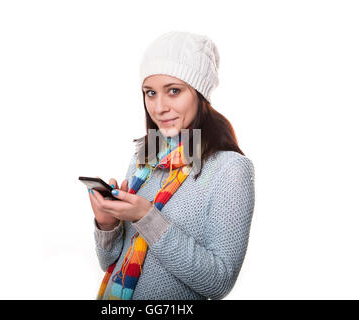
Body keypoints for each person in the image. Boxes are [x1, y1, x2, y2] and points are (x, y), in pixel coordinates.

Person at [87, 31, 255, 300]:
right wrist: (108, 225)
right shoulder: (144, 159)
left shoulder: (230, 169)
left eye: (174, 91)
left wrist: (147, 218)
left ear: (200, 94)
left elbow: (219, 282)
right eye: (150, 93)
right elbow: (111, 261)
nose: (159, 107)